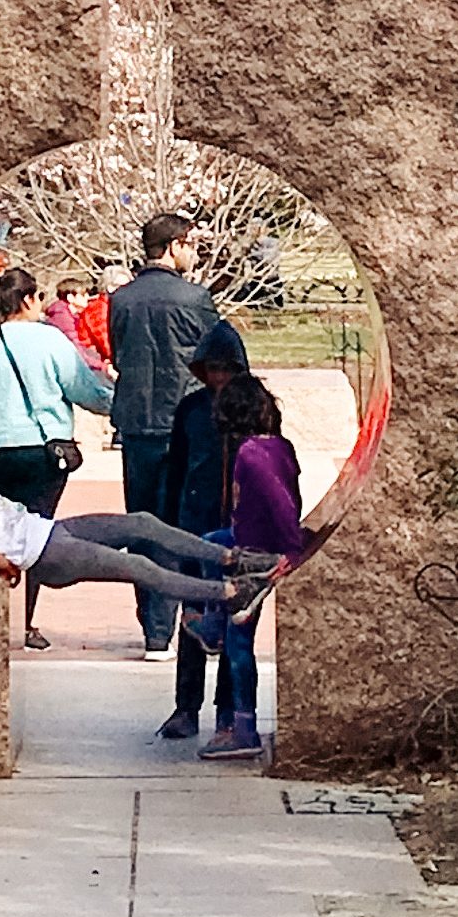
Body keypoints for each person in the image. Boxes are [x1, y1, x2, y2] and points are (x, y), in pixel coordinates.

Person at [0, 434, 271, 613]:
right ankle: (230, 594)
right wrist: (6, 566)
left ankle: (232, 559)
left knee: (141, 523)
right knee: (138, 565)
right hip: (48, 555)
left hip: (52, 531)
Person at [0, 265, 113, 653]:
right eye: (39, 297)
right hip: (40, 452)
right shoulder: (47, 340)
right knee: (33, 535)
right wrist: (119, 405)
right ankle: (27, 622)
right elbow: (83, 388)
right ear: (27, 300)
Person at [105, 211, 225, 660]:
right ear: (174, 246)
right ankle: (191, 619)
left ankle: (154, 629)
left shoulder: (122, 300)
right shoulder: (195, 298)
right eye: (191, 244)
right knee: (187, 523)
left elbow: (118, 354)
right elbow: (217, 356)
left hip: (137, 424)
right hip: (186, 425)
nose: (194, 252)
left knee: (142, 523)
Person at [201, 372, 308, 763]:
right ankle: (209, 614)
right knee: (205, 546)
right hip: (246, 541)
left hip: (257, 554)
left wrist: (289, 552)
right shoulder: (280, 446)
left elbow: (281, 501)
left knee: (239, 642)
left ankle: (244, 728)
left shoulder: (250, 454)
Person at [155, 320, 253, 744]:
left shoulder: (255, 408)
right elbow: (175, 468)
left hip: (239, 530)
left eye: (226, 370)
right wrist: (166, 524)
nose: (219, 378)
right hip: (196, 525)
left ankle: (229, 711)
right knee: (193, 616)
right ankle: (185, 706)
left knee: (237, 619)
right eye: (212, 370)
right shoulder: (192, 410)